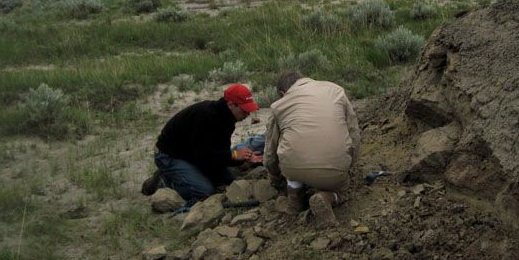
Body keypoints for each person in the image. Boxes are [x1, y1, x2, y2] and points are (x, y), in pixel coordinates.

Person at [264, 70, 360, 226]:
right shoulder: (336, 91)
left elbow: (270, 152)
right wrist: (349, 164)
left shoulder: (278, 106)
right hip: (333, 167)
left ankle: (294, 200)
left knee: (290, 145)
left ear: (282, 93)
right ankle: (328, 197)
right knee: (342, 189)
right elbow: (354, 135)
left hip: (294, 167)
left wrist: (274, 175)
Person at [141, 83, 260, 207]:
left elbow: (219, 154)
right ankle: (163, 181)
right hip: (168, 155)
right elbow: (203, 156)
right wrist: (234, 155)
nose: (248, 114)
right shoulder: (205, 116)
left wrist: (242, 159)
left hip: (191, 154)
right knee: (205, 191)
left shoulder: (228, 119)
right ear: (231, 105)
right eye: (245, 110)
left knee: (225, 179)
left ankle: (182, 174)